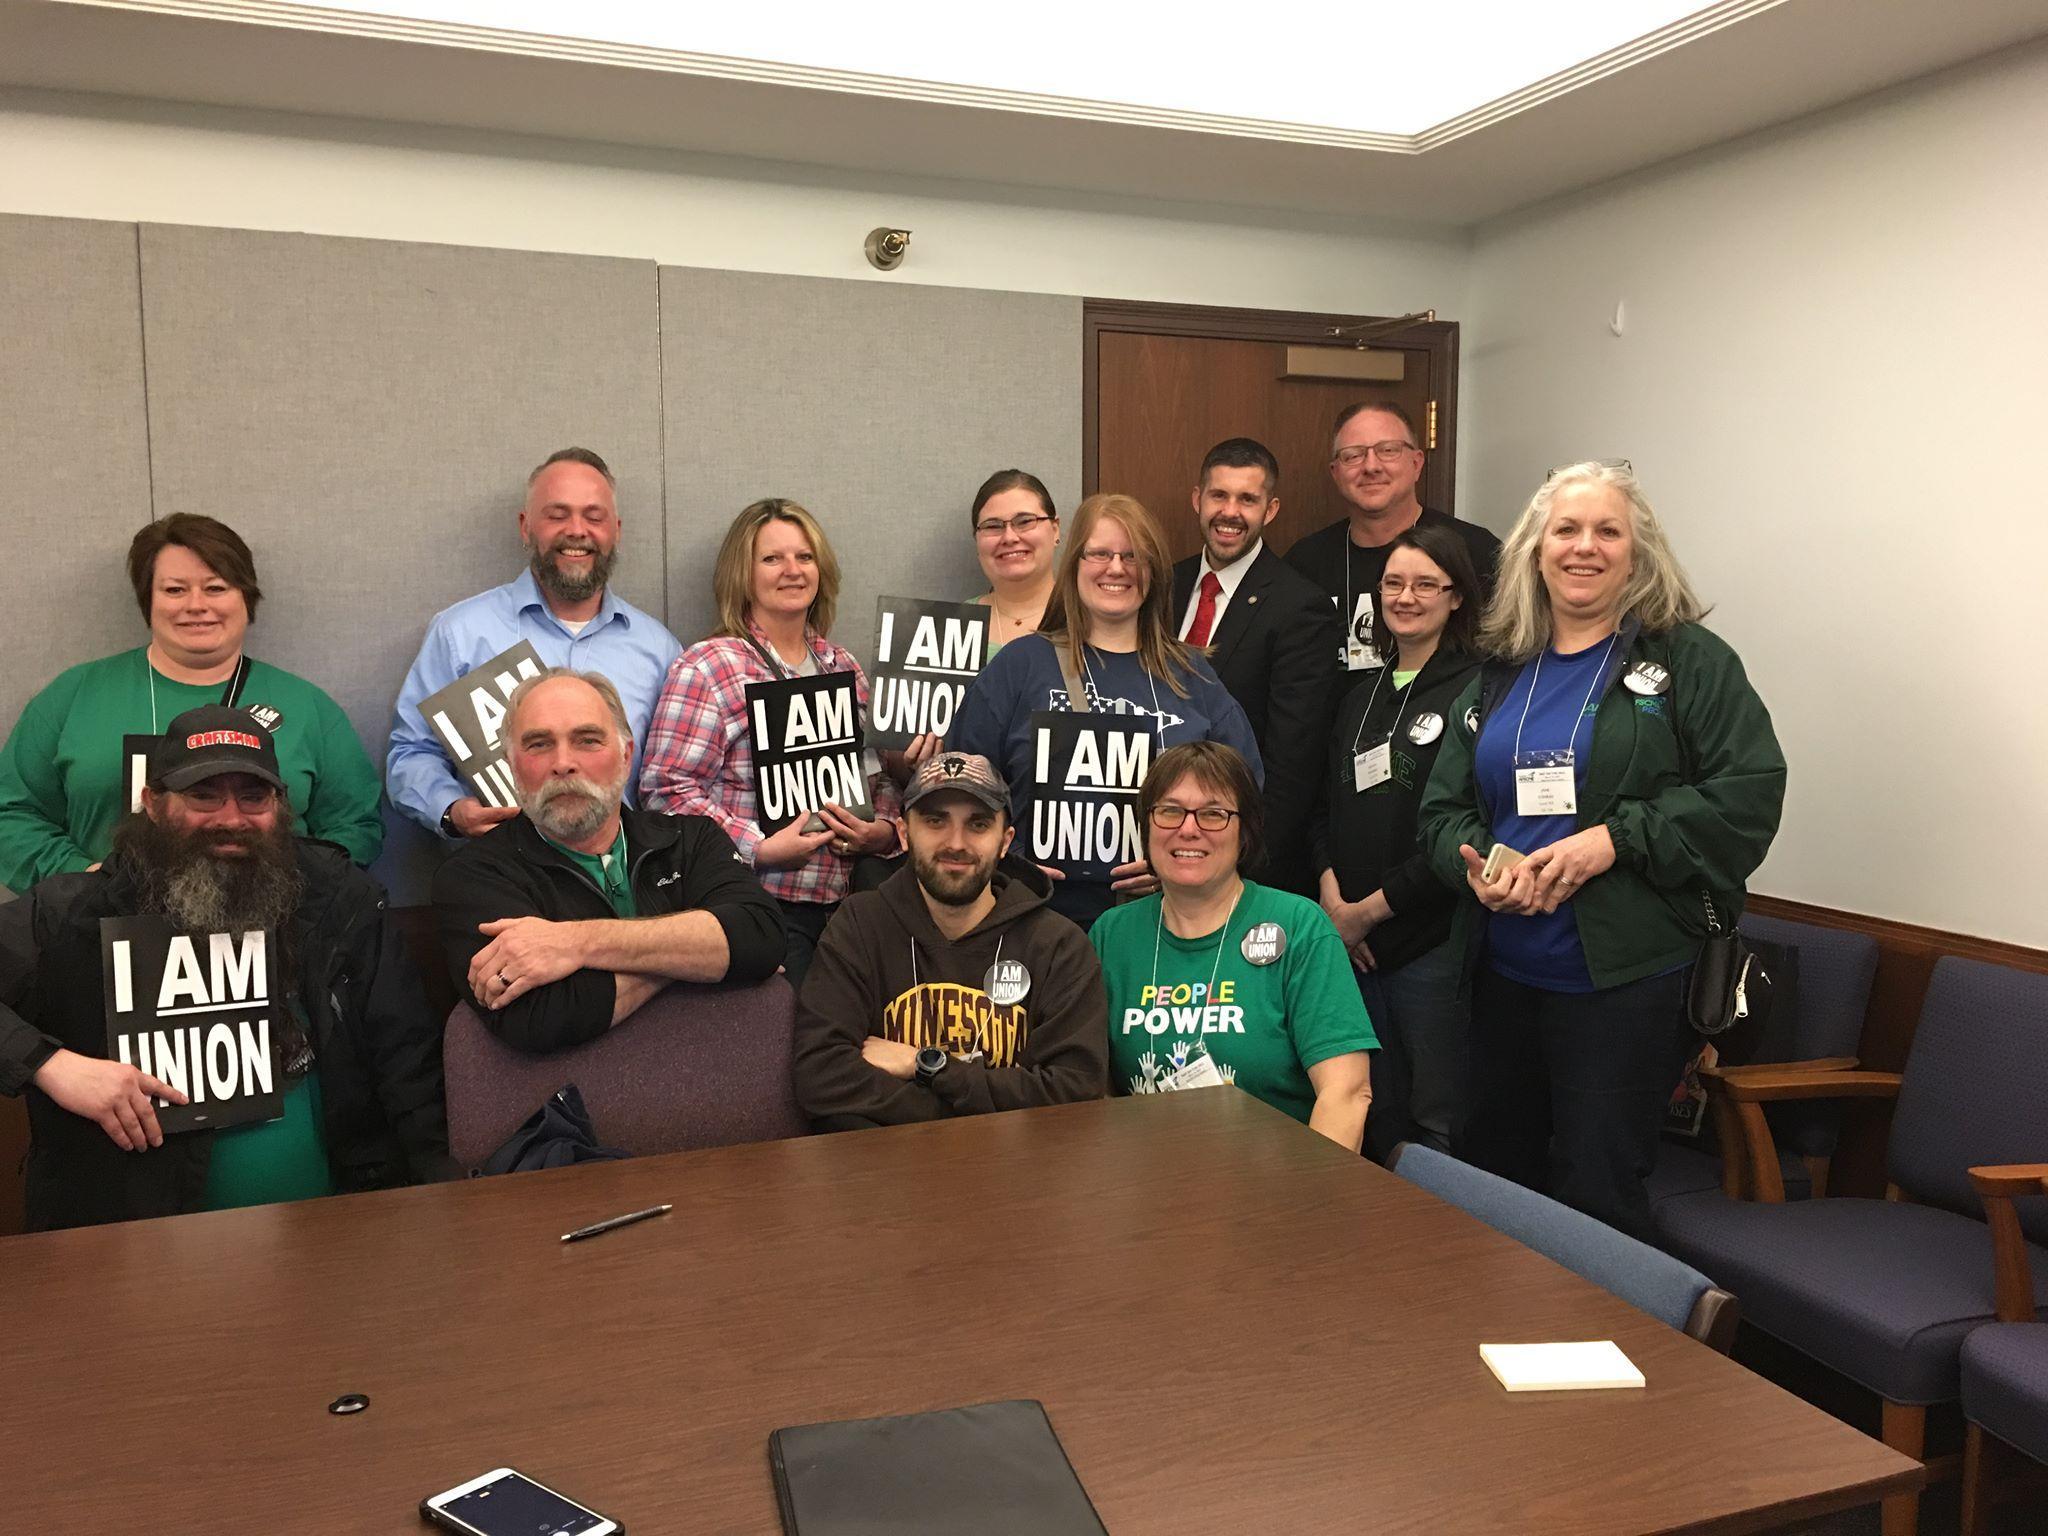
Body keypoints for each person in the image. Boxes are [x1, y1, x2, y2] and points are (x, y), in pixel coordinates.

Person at [1417, 460, 1786, 1240]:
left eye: (1606, 531)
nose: (1585, 547)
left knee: (1596, 1194)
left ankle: (1597, 1360)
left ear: (1637, 552)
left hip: (1623, 986)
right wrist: (1481, 863)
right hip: (1501, 978)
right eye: (1567, 530)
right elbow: (1442, 811)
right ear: (1535, 549)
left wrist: (1613, 842)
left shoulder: (1690, 662)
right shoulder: (1500, 667)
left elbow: (1748, 796)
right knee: (1493, 1181)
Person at [0, 705, 451, 1232]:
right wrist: (51, 1067)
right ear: (152, 802)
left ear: (281, 806)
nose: (231, 818)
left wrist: (438, 1203)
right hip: (133, 1245)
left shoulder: (340, 900)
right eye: (204, 795)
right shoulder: (74, 913)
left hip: (339, 1234)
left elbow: (409, 1063)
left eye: (253, 796)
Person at [0, 514, 383, 893]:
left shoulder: (307, 706)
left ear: (246, 600)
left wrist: (284, 886)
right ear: (147, 600)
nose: (196, 605)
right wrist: (84, 880)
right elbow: (11, 815)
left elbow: (356, 826)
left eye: (216, 588)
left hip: (272, 936)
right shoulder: (75, 695)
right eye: (175, 590)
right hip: (101, 931)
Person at [948, 493, 1263, 931]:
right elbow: (963, 788)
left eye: (1132, 556)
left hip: (1166, 924)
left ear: (1152, 572)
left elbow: (1246, 798)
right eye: (1099, 553)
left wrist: (1181, 858)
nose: (1116, 568)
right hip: (1034, 923)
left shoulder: (1194, 676)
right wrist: (1010, 864)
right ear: (1075, 563)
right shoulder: (1019, 667)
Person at [432, 669, 785, 1054]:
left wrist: (575, 943)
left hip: (711, 1072)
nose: (563, 762)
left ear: (625, 757)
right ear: (512, 765)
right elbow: (540, 1015)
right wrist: (694, 956)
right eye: (538, 744)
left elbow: (761, 937)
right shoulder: (472, 877)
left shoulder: (692, 838)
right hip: (573, 1103)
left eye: (587, 740)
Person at [638, 499, 902, 987]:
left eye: (804, 557)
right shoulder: (710, 666)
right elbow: (665, 793)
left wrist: (883, 832)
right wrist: (758, 847)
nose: (792, 571)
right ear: (743, 573)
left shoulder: (843, 666)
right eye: (772, 559)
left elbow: (877, 776)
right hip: (754, 906)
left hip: (848, 909)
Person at [791, 751, 1107, 1128]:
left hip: (1022, 1175)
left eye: (977, 824)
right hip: (887, 1176)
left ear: (1005, 841)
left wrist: (926, 1067)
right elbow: (820, 1076)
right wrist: (975, 1109)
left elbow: (1075, 1092)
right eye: (935, 821)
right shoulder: (859, 925)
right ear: (905, 834)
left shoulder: (1059, 944)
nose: (956, 843)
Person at [387, 447, 682, 841]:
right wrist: (452, 810)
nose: (577, 530)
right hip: (502, 874)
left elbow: (674, 779)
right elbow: (410, 753)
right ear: (526, 526)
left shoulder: (660, 650)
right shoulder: (460, 634)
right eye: (557, 515)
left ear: (616, 530)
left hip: (627, 886)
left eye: (594, 517)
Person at [1092, 742, 1375, 1150]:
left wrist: (1309, 1205)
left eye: (1214, 814)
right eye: (1170, 810)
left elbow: (1347, 1093)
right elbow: (1095, 1096)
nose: (1188, 829)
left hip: (1275, 1193)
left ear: (1245, 833)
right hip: (1149, 1189)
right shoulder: (1111, 935)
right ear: (1147, 825)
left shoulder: (1298, 926)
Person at [1311, 522, 1483, 1158]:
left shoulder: (1478, 690)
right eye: (1393, 584)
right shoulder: (1360, 695)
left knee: (1437, 1114)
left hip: (1428, 937)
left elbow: (1466, 825)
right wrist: (1335, 910)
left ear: (1456, 596)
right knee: (1366, 1104)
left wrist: (1368, 913)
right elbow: (1323, 811)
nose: (1406, 597)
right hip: (1350, 944)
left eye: (1425, 584)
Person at [1169, 437, 1341, 895]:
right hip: (1157, 843)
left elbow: (1292, 763)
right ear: (1196, 500)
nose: (1230, 512)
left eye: (1248, 499)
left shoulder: (1300, 607)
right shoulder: (1163, 585)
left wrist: (1242, 863)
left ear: (1271, 509)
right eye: (1219, 495)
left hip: (1240, 862)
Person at [1283, 401, 1502, 679]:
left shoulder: (1475, 551)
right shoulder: (1304, 563)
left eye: (1388, 451)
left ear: (1416, 463)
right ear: (1335, 472)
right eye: (1353, 456)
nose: (1371, 466)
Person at [968, 469, 1061, 656]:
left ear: (1055, 529)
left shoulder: (1093, 618)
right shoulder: (948, 627)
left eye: (1025, 521)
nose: (1009, 537)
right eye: (993, 526)